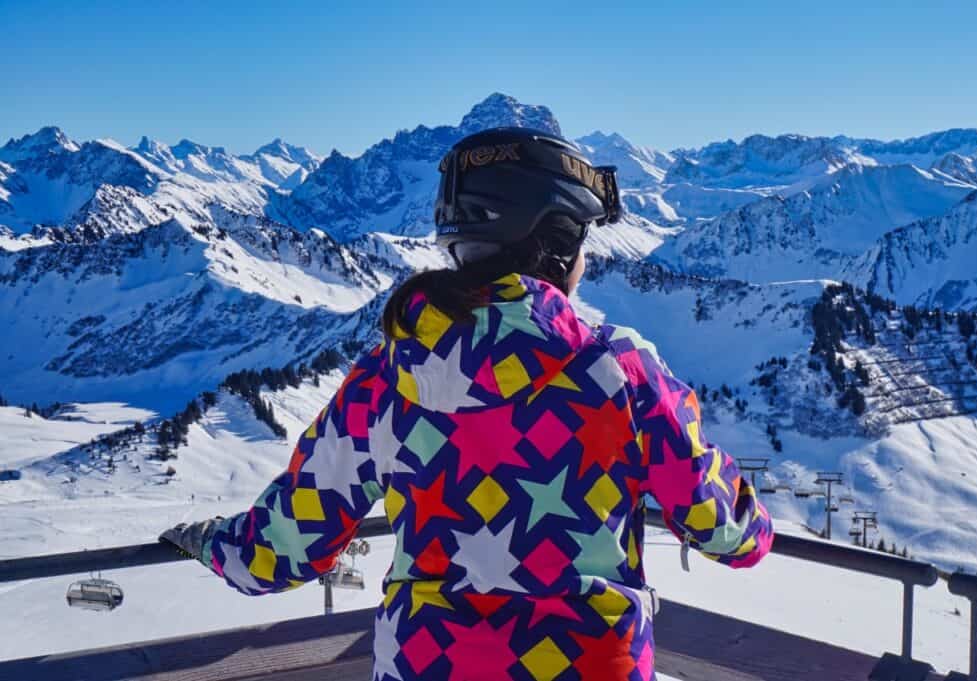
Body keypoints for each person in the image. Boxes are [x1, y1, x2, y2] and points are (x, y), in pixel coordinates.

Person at [160, 127, 774, 680]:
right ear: (555, 244)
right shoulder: (622, 374)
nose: (586, 262)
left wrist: (209, 541)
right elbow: (727, 531)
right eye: (581, 241)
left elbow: (279, 551)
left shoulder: (383, 381)